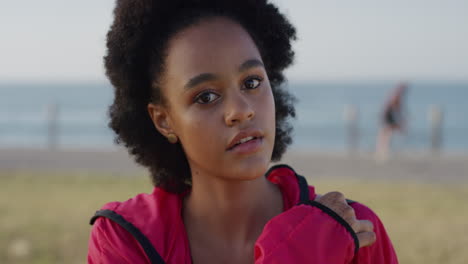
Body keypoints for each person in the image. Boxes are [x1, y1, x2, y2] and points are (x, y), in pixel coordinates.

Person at [88, 0, 398, 263]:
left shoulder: (353, 229)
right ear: (163, 120)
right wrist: (297, 252)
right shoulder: (124, 239)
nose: (242, 110)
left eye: (252, 82)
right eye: (206, 97)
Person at [376, 82, 408, 160]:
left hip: (387, 115)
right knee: (387, 133)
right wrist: (401, 120)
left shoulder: (395, 95)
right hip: (388, 115)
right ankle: (383, 151)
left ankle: (383, 150)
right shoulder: (396, 95)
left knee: (386, 133)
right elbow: (396, 108)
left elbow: (396, 108)